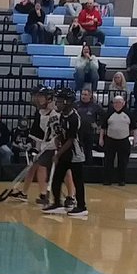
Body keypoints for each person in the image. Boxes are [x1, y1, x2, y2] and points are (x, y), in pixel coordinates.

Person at [43, 88, 88, 218]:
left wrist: (57, 154)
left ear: (68, 102)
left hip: (75, 154)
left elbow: (71, 139)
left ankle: (81, 206)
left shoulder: (75, 118)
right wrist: (57, 140)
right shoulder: (62, 115)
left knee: (78, 181)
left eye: (59, 101)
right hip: (64, 152)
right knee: (57, 178)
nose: (56, 103)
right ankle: (57, 203)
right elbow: (62, 134)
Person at [100, 93, 136, 186]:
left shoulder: (128, 113)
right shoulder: (109, 113)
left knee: (123, 162)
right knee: (108, 161)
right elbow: (103, 128)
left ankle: (122, 180)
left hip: (124, 140)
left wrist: (135, 139)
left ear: (123, 103)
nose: (117, 104)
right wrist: (101, 139)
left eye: (119, 102)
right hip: (110, 140)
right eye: (115, 102)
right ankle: (107, 180)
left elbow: (134, 128)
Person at [74, 87, 101, 161]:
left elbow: (103, 116)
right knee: (78, 150)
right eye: (82, 94)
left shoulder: (95, 106)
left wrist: (98, 125)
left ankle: (89, 167)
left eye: (85, 94)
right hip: (78, 131)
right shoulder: (76, 105)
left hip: (89, 131)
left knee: (88, 150)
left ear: (90, 95)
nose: (83, 96)